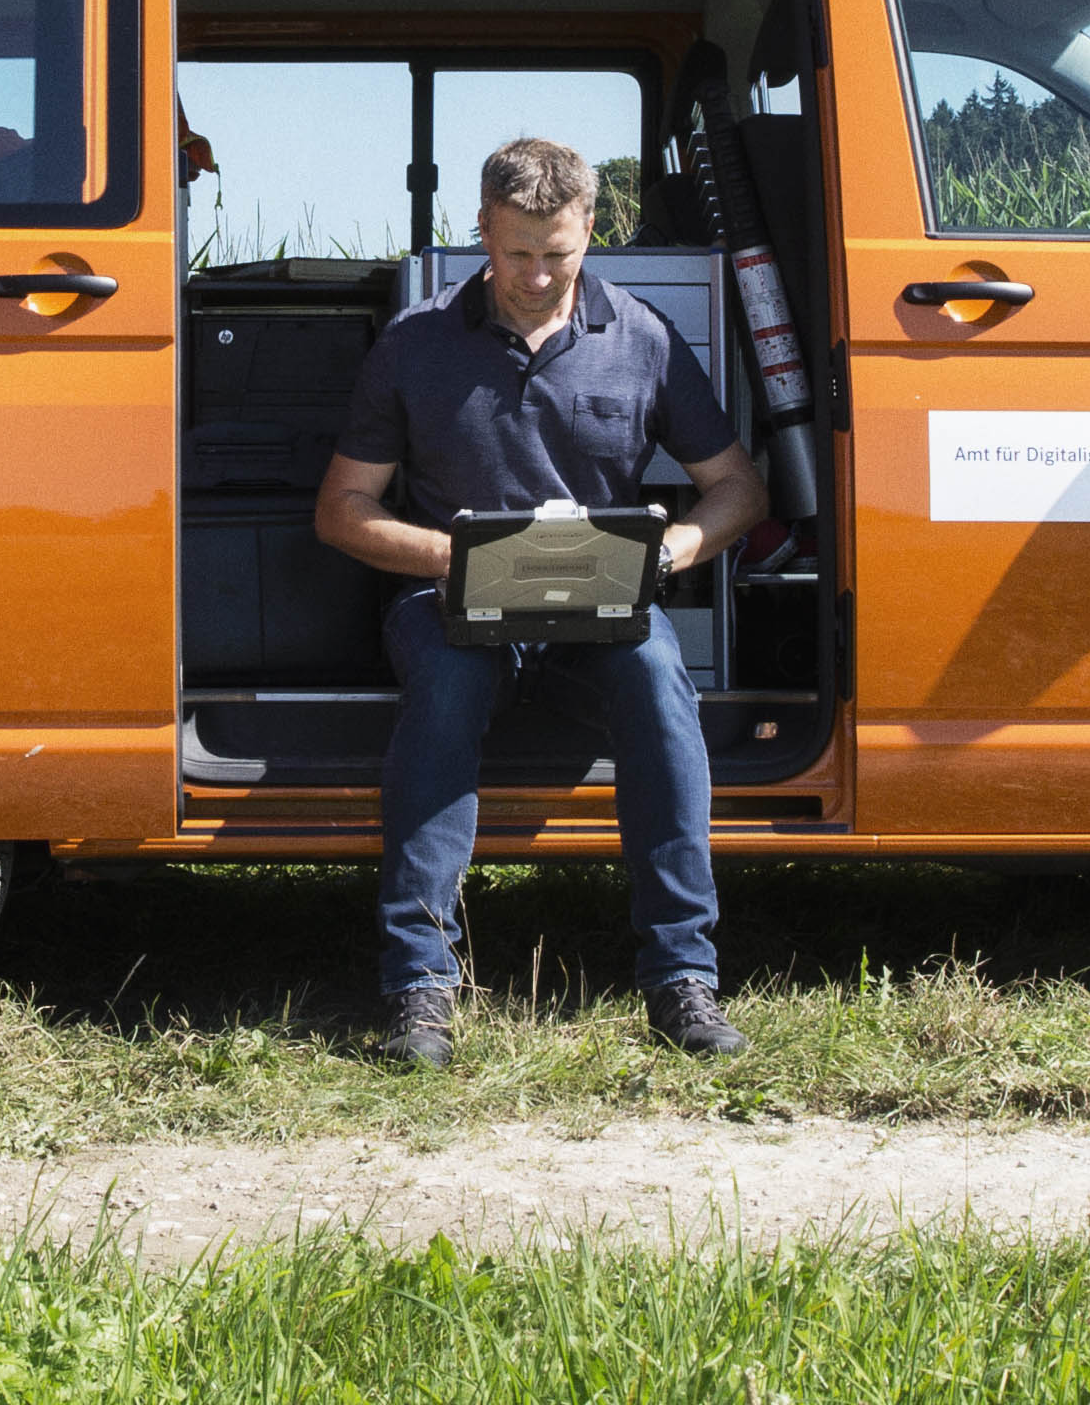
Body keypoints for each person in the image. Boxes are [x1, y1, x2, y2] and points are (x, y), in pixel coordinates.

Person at [310, 137, 772, 1068]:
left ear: (589, 229)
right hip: (450, 604)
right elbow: (341, 510)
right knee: (446, 686)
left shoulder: (642, 336)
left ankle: (683, 976)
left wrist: (670, 552)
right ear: (483, 228)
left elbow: (738, 489)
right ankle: (420, 988)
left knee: (659, 679)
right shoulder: (415, 343)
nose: (535, 276)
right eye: (516, 252)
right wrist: (454, 558)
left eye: (556, 253)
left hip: (595, 612)